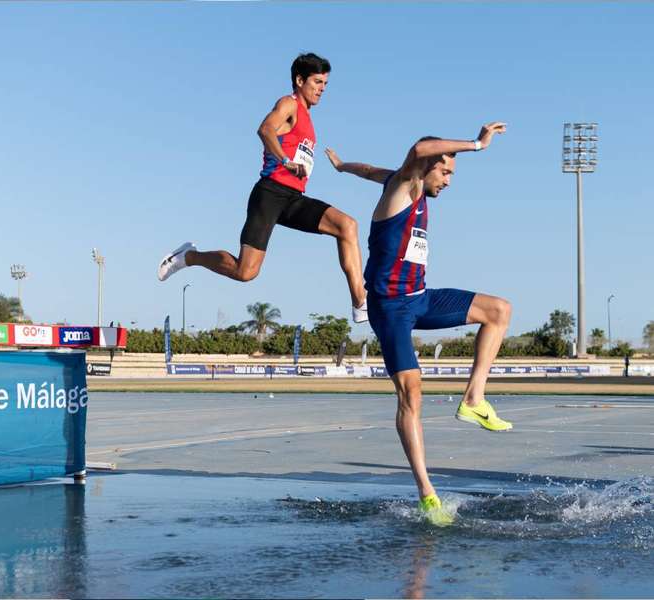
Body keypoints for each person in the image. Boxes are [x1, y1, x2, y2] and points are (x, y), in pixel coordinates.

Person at [326, 122, 511, 524]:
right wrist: (477, 144)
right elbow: (420, 146)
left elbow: (370, 170)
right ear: (425, 167)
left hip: (420, 298)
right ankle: (427, 494)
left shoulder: (398, 181)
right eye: (444, 172)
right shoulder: (404, 187)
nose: (448, 182)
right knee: (412, 393)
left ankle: (474, 400)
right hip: (389, 307)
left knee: (499, 310)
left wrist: (343, 167)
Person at [157, 53, 368, 323]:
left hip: (293, 198)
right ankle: (189, 256)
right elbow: (265, 129)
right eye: (317, 82)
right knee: (246, 272)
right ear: (299, 80)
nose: (321, 89)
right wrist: (285, 161)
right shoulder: (288, 104)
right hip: (269, 194)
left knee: (347, 225)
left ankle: (360, 302)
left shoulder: (308, 117)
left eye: (325, 84)